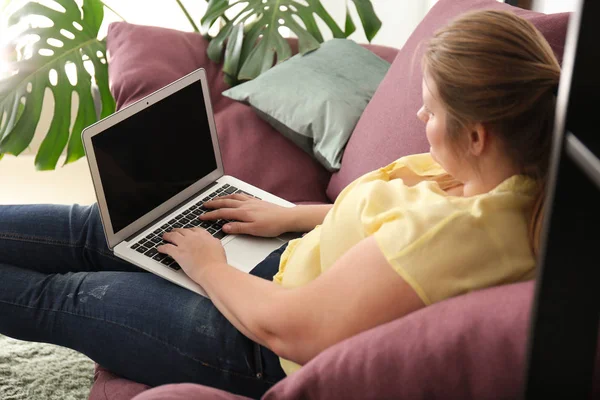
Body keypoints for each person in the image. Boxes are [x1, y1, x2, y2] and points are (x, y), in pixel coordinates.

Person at [0, 9, 560, 398]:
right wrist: (289, 216)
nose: (421, 119)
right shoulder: (506, 173)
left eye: (432, 111)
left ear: (478, 134)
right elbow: (391, 219)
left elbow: (291, 330)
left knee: (63, 294)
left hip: (255, 343)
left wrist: (209, 266)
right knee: (93, 230)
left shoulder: (456, 237)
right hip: (285, 263)